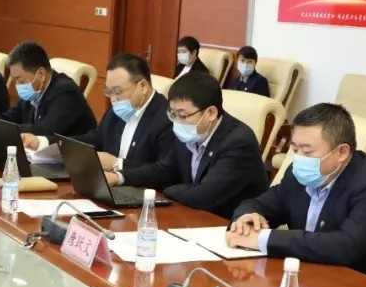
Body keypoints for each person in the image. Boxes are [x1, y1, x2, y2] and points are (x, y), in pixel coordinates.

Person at [228, 104, 366, 287]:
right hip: (311, 279)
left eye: (307, 151)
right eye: (295, 149)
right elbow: (261, 203)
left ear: (342, 152)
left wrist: (263, 239)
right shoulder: (299, 173)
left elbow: (345, 246)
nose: (299, 159)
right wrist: (247, 219)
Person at [113, 72, 269, 219]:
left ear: (211, 113)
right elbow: (165, 170)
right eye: (173, 114)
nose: (177, 121)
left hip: (228, 223)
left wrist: (166, 190)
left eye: (182, 115)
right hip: (192, 215)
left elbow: (204, 196)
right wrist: (119, 177)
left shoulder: (238, 142)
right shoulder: (191, 132)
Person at [0, 41, 95, 149]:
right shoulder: (35, 90)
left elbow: (43, 131)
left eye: (19, 79)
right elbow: (13, 115)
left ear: (41, 74)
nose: (17, 85)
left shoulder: (66, 93)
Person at [74, 53, 174, 173]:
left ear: (143, 86)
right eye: (108, 91)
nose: (113, 99)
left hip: (138, 184)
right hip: (107, 179)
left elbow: (164, 171)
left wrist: (117, 164)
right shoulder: (118, 108)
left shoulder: (167, 119)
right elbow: (98, 137)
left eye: (118, 91)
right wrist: (61, 145)